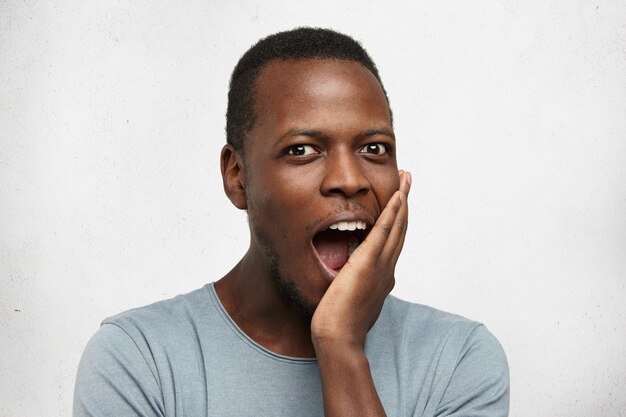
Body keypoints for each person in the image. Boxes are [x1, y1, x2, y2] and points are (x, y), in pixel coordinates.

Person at [74, 27, 509, 417]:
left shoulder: (457, 359)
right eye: (302, 150)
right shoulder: (139, 359)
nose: (350, 180)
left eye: (374, 149)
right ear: (237, 176)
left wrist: (340, 345)